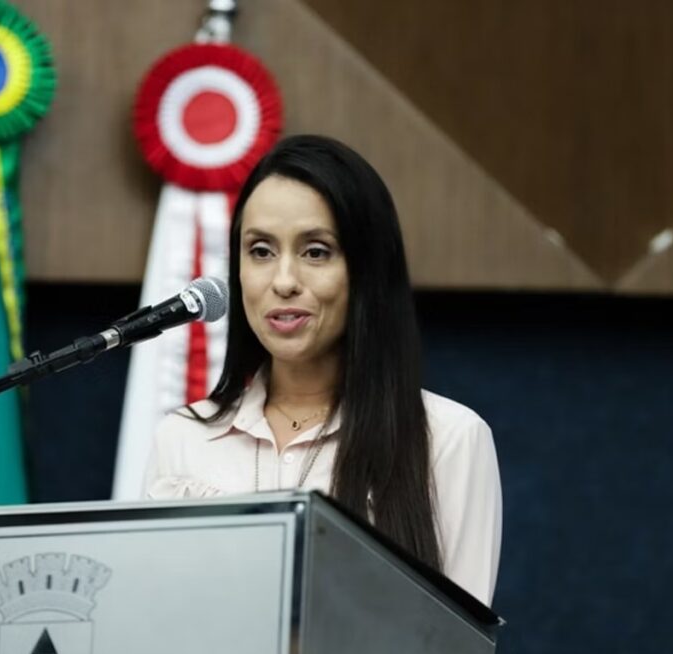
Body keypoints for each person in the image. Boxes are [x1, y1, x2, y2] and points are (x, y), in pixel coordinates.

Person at [143, 135, 502, 606]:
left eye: (316, 252)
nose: (284, 281)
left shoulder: (450, 438)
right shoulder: (182, 436)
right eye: (261, 251)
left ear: (367, 272)